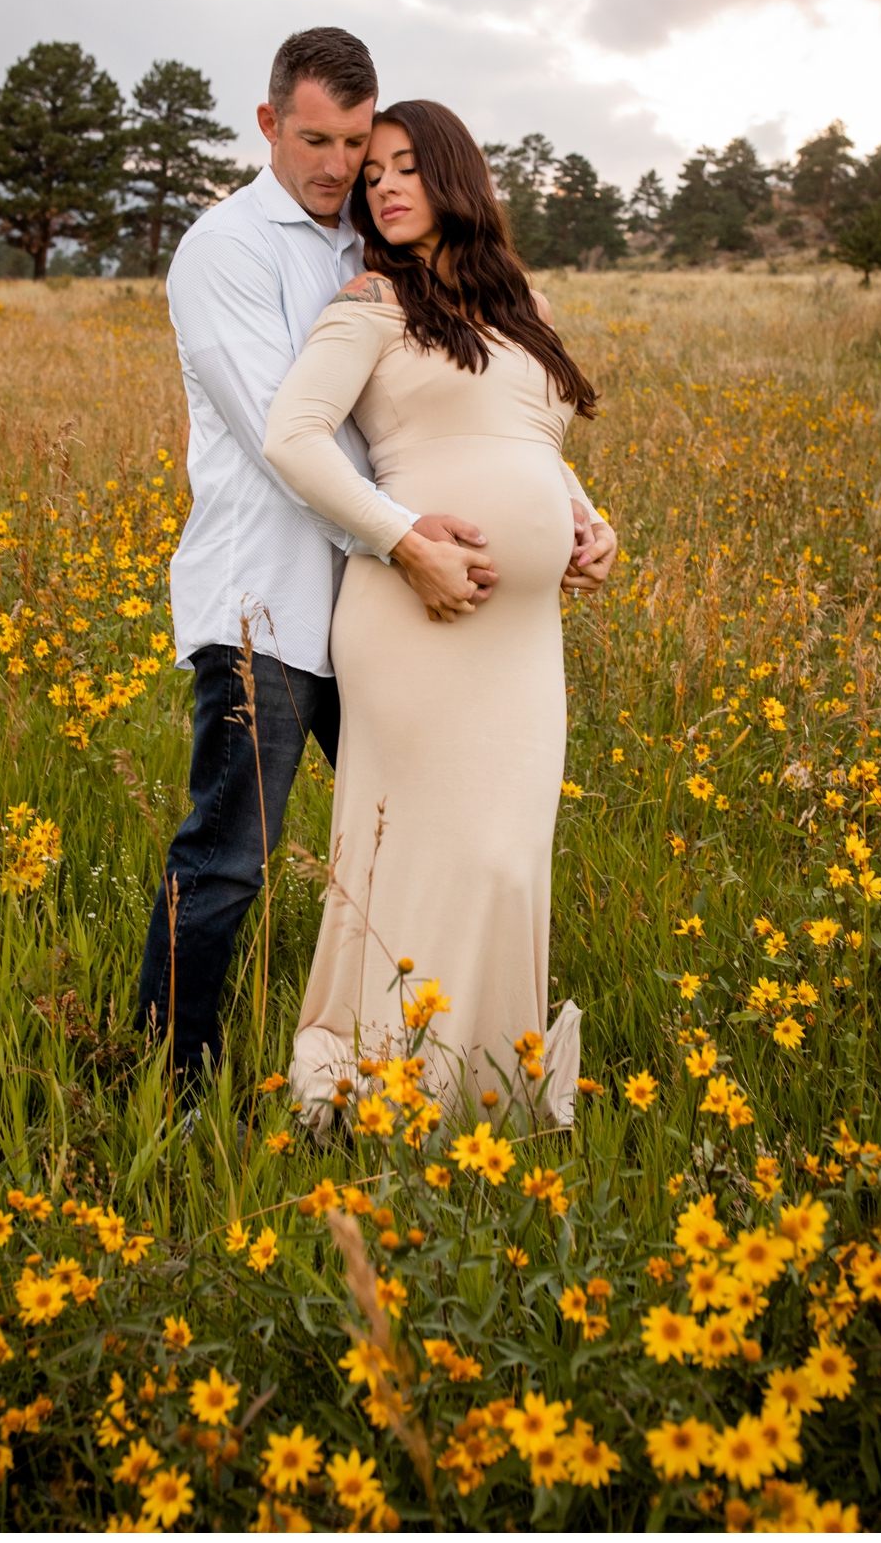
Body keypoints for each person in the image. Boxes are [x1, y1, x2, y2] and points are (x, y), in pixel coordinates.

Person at [134, 26, 614, 1093]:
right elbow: (291, 432)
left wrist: (565, 512)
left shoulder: (369, 245)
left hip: (393, 602)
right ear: (268, 124)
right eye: (318, 140)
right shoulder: (228, 250)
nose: (342, 166)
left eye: (360, 143)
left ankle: (431, 1067)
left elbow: (479, 408)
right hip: (271, 599)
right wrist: (407, 538)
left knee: (413, 851)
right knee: (229, 859)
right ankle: (167, 1081)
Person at [264, 97, 614, 1124]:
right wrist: (402, 536)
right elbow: (294, 436)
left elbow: (533, 444)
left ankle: (477, 1088)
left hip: (522, 639)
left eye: (407, 165)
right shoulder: (372, 302)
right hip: (417, 618)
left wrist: (588, 521)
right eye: (374, 175)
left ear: (456, 173)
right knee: (425, 854)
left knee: (507, 859)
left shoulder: (524, 312)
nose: (386, 186)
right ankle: (381, 1078)